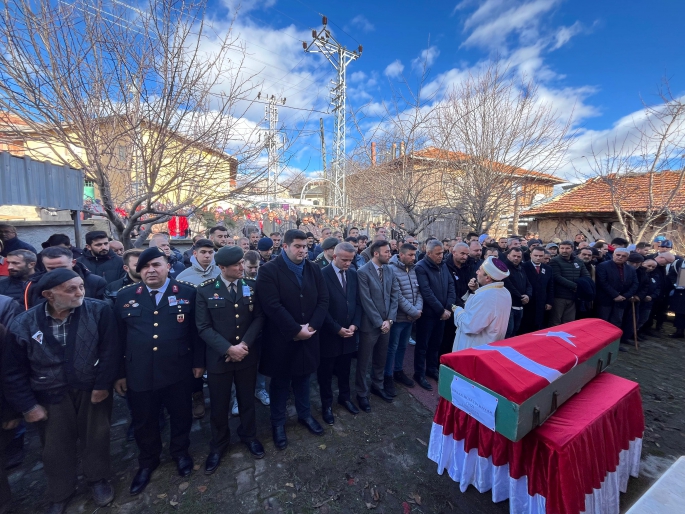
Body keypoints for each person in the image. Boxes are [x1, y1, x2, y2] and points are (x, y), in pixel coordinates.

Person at [4, 269, 119, 513]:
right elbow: (12, 371)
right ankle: (60, 491)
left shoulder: (99, 311)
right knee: (55, 447)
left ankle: (97, 479)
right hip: (49, 394)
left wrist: (101, 385)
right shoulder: (24, 323)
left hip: (90, 389)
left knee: (96, 437)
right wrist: (28, 406)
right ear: (48, 295)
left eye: (81, 287)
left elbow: (110, 352)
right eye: (71, 289)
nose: (80, 293)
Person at [114, 247, 204, 495]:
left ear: (167, 266)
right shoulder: (124, 296)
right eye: (144, 267)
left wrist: (199, 363)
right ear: (137, 270)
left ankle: (180, 452)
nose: (150, 270)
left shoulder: (187, 293)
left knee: (181, 415)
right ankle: (148, 460)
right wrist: (120, 373)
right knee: (144, 420)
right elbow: (117, 340)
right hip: (139, 372)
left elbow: (196, 334)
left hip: (178, 369)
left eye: (156, 265)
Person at [256, 229, 329, 450]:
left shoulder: (313, 269)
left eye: (305, 246)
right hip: (282, 339)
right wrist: (295, 330)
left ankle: (304, 415)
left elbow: (323, 300)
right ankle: (278, 423)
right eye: (297, 246)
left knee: (304, 379)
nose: (302, 250)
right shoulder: (269, 270)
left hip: (309, 336)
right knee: (279, 383)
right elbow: (271, 305)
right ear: (285, 246)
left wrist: (312, 326)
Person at [195, 246, 265, 473]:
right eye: (236, 265)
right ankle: (219, 444)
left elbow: (258, 318)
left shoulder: (251, 287)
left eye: (242, 263)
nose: (241, 268)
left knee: (247, 400)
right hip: (219, 359)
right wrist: (228, 349)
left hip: (246, 354)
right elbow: (203, 327)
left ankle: (249, 435)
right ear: (222, 268)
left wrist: (244, 345)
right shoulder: (205, 291)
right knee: (219, 404)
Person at [317, 242, 362, 424]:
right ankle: (326, 405)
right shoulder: (322, 275)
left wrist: (355, 325)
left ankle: (345, 398)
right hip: (329, 335)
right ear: (334, 257)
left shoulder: (353, 274)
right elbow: (321, 307)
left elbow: (357, 302)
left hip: (349, 333)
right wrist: (336, 328)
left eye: (351, 260)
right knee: (326, 373)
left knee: (345, 370)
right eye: (344, 260)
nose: (348, 264)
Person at [356, 240, 399, 411]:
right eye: (387, 252)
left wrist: (389, 320)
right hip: (370, 325)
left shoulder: (389, 269)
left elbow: (394, 295)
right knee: (363, 361)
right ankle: (361, 393)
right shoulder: (363, 272)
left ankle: (377, 386)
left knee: (381, 358)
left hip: (386, 324)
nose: (390, 254)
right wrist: (379, 322)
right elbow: (365, 300)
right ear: (376, 253)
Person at [414, 240, 455, 391]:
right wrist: (441, 310)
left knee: (436, 344)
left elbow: (451, 285)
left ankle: (431, 368)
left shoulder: (443, 265)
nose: (441, 256)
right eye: (438, 253)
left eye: (442, 253)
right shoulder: (421, 267)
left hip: (443, 313)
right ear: (428, 253)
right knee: (422, 345)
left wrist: (448, 307)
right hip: (428, 314)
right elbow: (426, 292)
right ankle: (419, 373)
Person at [453, 257, 512, 351]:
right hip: (490, 345)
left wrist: (458, 310)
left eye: (479, 270)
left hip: (474, 347)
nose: (476, 272)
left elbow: (470, 326)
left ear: (487, 278)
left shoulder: (486, 296)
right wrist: (476, 290)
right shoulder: (505, 292)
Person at [386, 243, 422, 390]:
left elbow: (419, 291)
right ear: (401, 255)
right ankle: (386, 375)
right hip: (399, 317)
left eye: (415, 255)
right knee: (392, 347)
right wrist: (413, 311)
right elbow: (397, 295)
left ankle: (398, 371)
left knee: (403, 346)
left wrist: (417, 310)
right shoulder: (391, 269)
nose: (414, 258)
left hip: (411, 317)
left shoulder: (414, 269)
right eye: (410, 255)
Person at [26, 246, 106, 308]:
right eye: (51, 268)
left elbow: (101, 311)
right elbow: (29, 315)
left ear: (73, 263)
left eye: (62, 267)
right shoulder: (33, 284)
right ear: (44, 264)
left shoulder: (95, 282)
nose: (57, 272)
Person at [595, 248, 638, 330]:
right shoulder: (603, 266)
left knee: (616, 322)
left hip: (622, 300)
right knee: (602, 322)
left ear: (627, 258)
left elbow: (635, 284)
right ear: (613, 255)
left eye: (623, 256)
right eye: (618, 255)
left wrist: (625, 296)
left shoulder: (631, 269)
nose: (620, 257)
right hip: (606, 299)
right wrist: (615, 295)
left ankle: (613, 341)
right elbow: (602, 282)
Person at [549, 241, 589, 326]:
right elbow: (557, 277)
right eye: (562, 248)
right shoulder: (554, 261)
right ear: (559, 249)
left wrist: (582, 286)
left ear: (572, 249)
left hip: (573, 297)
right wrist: (574, 286)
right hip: (559, 296)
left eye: (567, 248)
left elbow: (586, 276)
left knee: (569, 322)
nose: (564, 250)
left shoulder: (579, 261)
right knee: (555, 321)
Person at [521, 247, 554, 333]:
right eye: (536, 255)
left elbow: (550, 286)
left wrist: (549, 302)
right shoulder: (523, 267)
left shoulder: (548, 268)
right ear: (530, 255)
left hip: (541, 302)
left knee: (538, 326)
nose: (538, 258)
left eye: (541, 256)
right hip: (528, 302)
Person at [503, 247, 532, 338]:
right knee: (508, 331)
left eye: (519, 256)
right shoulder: (504, 268)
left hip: (520, 305)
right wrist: (521, 297)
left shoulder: (521, 268)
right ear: (508, 256)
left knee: (515, 330)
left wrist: (528, 295)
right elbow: (508, 285)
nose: (516, 258)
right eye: (514, 256)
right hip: (509, 305)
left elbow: (528, 284)